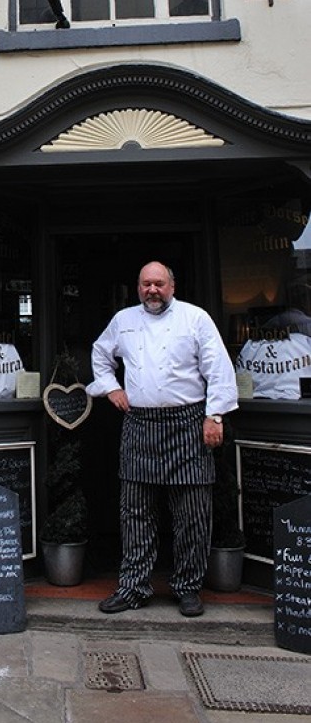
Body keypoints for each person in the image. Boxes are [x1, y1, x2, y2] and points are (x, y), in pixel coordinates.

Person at [86, 261, 238, 618]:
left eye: (158, 283)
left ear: (172, 285)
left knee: (193, 513)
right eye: (145, 284)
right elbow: (100, 353)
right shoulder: (123, 321)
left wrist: (214, 416)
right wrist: (110, 388)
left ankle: (187, 588)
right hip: (139, 422)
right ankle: (133, 587)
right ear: (138, 288)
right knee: (135, 512)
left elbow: (217, 367)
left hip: (188, 421)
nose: (152, 290)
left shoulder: (195, 318)